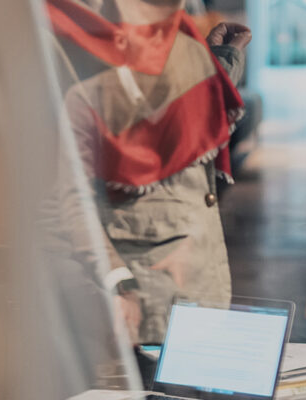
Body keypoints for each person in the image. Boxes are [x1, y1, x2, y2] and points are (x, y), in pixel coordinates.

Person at [48, 0, 250, 344]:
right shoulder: (80, 62)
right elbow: (69, 201)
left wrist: (224, 55)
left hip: (200, 276)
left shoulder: (183, 50)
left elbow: (191, 99)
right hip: (145, 296)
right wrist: (115, 279)